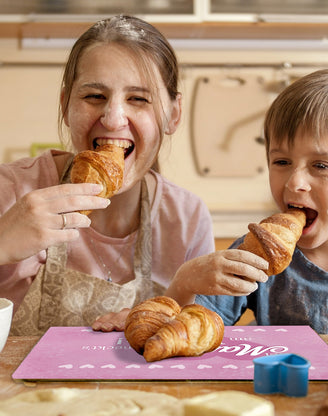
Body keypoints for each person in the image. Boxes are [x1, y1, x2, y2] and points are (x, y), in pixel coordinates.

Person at [0, 15, 219, 336]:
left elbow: (200, 335)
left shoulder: (186, 218)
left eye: (139, 99)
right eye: (94, 96)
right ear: (65, 105)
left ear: (173, 114)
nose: (114, 118)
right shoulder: (11, 190)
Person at [192, 67, 328, 341]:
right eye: (282, 162)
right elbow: (195, 329)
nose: (294, 182)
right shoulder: (256, 253)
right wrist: (187, 281)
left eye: (321, 165)